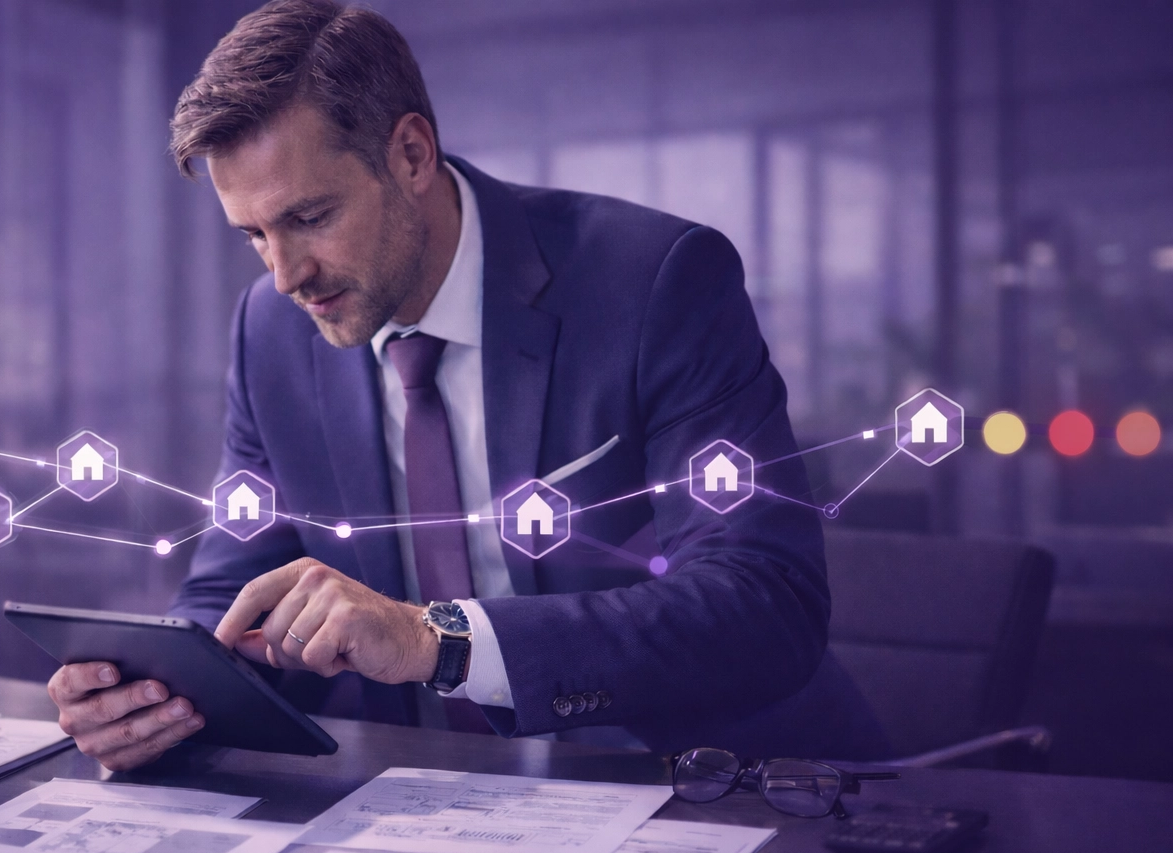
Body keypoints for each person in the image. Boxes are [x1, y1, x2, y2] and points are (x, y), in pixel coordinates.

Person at [47, 0, 888, 772]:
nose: (287, 273)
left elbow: (764, 604)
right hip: (428, 803)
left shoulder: (655, 284)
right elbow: (237, 588)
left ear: (411, 154)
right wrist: (157, 692)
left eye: (309, 218)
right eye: (253, 235)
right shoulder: (269, 331)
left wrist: (438, 641)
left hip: (705, 786)